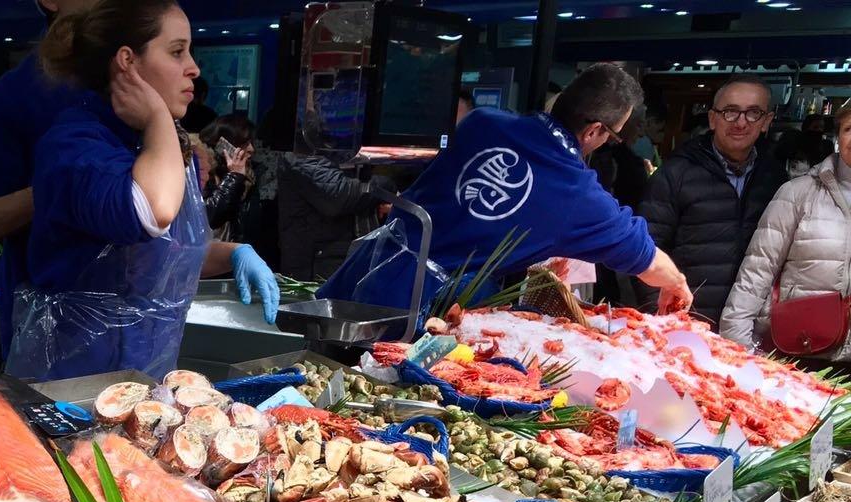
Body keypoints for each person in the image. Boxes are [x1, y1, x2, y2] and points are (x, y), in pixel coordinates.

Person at [7, 0, 279, 382]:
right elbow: (152, 211)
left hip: (141, 381)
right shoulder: (76, 145)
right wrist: (156, 117)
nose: (194, 68)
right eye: (176, 51)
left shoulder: (158, 146)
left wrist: (231, 253)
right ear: (127, 62)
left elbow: (162, 259)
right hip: (69, 387)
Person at [319, 63, 692, 317]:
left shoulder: (482, 121)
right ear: (594, 130)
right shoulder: (576, 194)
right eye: (612, 135)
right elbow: (642, 253)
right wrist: (676, 283)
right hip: (426, 307)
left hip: (371, 261)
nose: (608, 143)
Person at [0, 0, 95, 358]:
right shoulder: (13, 99)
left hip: (146, 336)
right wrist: (53, 190)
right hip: (51, 343)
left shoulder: (138, 86)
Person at [636, 75, 785, 325]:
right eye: (730, 112)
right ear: (712, 118)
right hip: (686, 320)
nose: (740, 122)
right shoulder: (676, 173)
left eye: (753, 113)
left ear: (766, 122)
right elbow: (644, 248)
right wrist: (662, 319)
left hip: (752, 324)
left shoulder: (776, 178)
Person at [721, 103, 851, 367]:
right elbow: (758, 269)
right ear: (838, 136)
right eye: (850, 128)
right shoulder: (798, 193)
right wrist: (735, 348)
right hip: (801, 349)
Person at [278, 151, 379, 283]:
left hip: (345, 255)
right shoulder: (301, 153)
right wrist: (387, 186)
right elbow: (338, 194)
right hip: (317, 263)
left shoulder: (344, 150)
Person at [199, 113, 254, 239]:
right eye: (245, 143)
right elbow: (208, 217)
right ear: (224, 144)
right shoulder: (203, 169)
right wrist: (234, 177)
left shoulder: (245, 173)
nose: (251, 149)